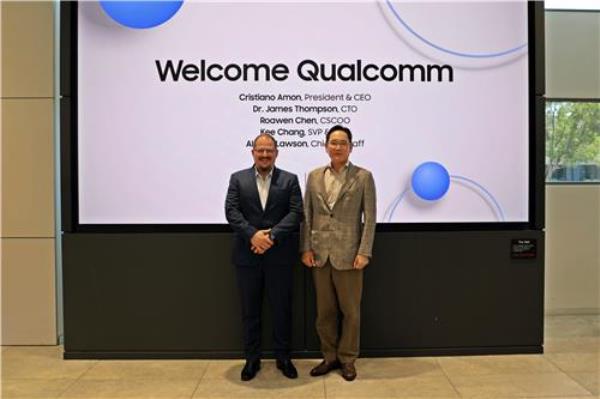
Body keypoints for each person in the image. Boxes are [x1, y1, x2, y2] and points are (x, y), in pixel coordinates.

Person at [300, 125, 376, 381]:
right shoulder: (313, 176)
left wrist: (364, 251)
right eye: (333, 142)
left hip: (350, 255)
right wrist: (306, 247)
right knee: (324, 312)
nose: (338, 147)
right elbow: (307, 215)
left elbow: (371, 218)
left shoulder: (364, 177)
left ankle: (347, 359)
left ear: (351, 147)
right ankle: (329, 356)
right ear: (326, 146)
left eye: (343, 142)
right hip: (320, 255)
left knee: (351, 312)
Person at [225, 133, 303, 381]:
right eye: (260, 150)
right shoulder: (238, 179)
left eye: (269, 150)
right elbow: (231, 211)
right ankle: (252, 359)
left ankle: (283, 358)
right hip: (247, 257)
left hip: (279, 256)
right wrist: (252, 236)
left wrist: (271, 237)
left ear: (276, 153)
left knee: (282, 310)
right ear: (253, 153)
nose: (265, 154)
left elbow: (296, 212)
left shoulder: (289, 180)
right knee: (250, 312)